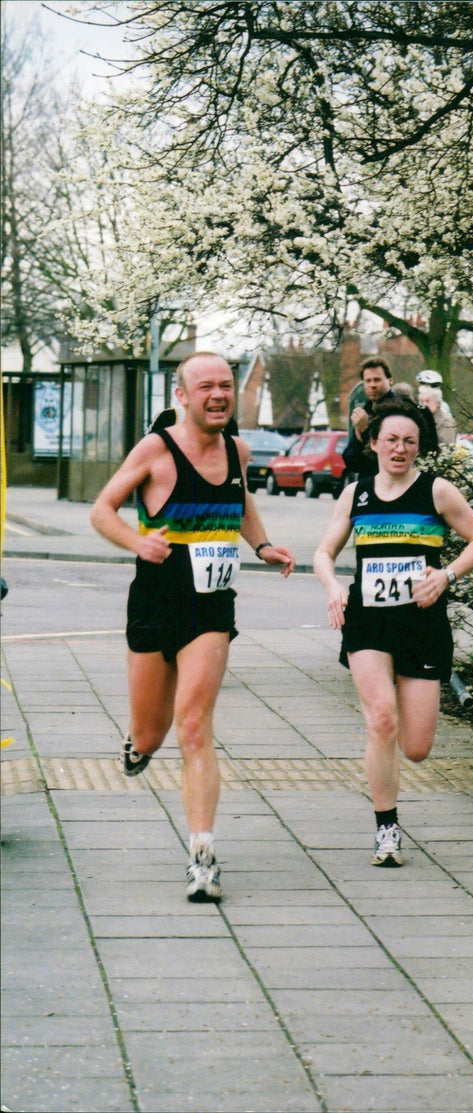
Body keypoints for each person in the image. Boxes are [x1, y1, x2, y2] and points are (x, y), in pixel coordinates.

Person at [90, 352, 296, 903]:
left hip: (210, 607)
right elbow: (102, 509)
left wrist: (262, 544)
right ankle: (138, 745)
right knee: (153, 732)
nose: (218, 394)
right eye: (205, 386)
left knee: (195, 726)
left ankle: (202, 854)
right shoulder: (155, 450)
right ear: (182, 395)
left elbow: (241, 500)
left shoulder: (238, 451)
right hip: (156, 602)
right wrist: (139, 542)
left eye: (225, 385)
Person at [314, 401, 473, 866]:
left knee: (416, 747)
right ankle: (386, 827)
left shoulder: (437, 491)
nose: (400, 449)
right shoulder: (356, 494)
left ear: (419, 448)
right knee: (381, 719)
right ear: (373, 443)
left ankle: (392, 775)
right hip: (369, 622)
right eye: (391, 440)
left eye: (409, 442)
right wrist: (333, 585)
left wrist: (446, 576)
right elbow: (324, 552)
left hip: (421, 623)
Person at [342, 357, 397, 478]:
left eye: (377, 380)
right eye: (368, 381)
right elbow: (352, 462)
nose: (372, 385)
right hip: (368, 483)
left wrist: (365, 431)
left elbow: (387, 455)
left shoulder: (398, 409)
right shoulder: (365, 411)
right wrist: (359, 436)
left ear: (390, 381)